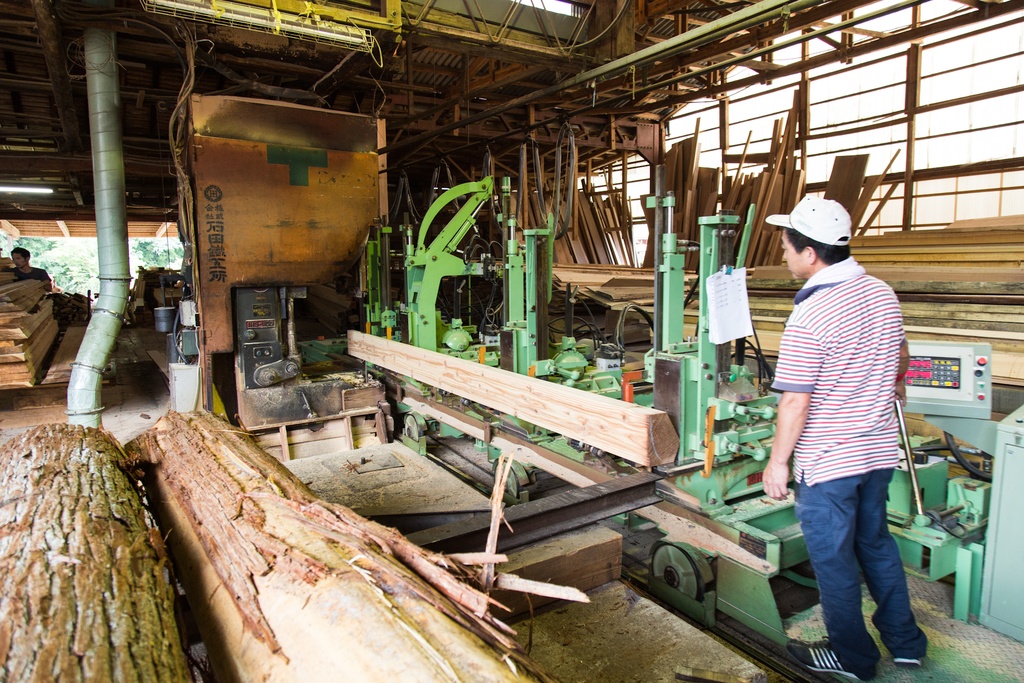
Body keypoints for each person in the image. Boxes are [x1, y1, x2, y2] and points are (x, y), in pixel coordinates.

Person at [761, 196, 927, 681]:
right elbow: (901, 358)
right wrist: (873, 389)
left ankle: (853, 659)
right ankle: (906, 643)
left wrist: (777, 463)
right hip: (877, 452)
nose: (785, 254)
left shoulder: (810, 314)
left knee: (833, 563)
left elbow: (795, 401)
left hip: (829, 463)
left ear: (810, 253)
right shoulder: (881, 292)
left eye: (787, 245)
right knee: (876, 544)